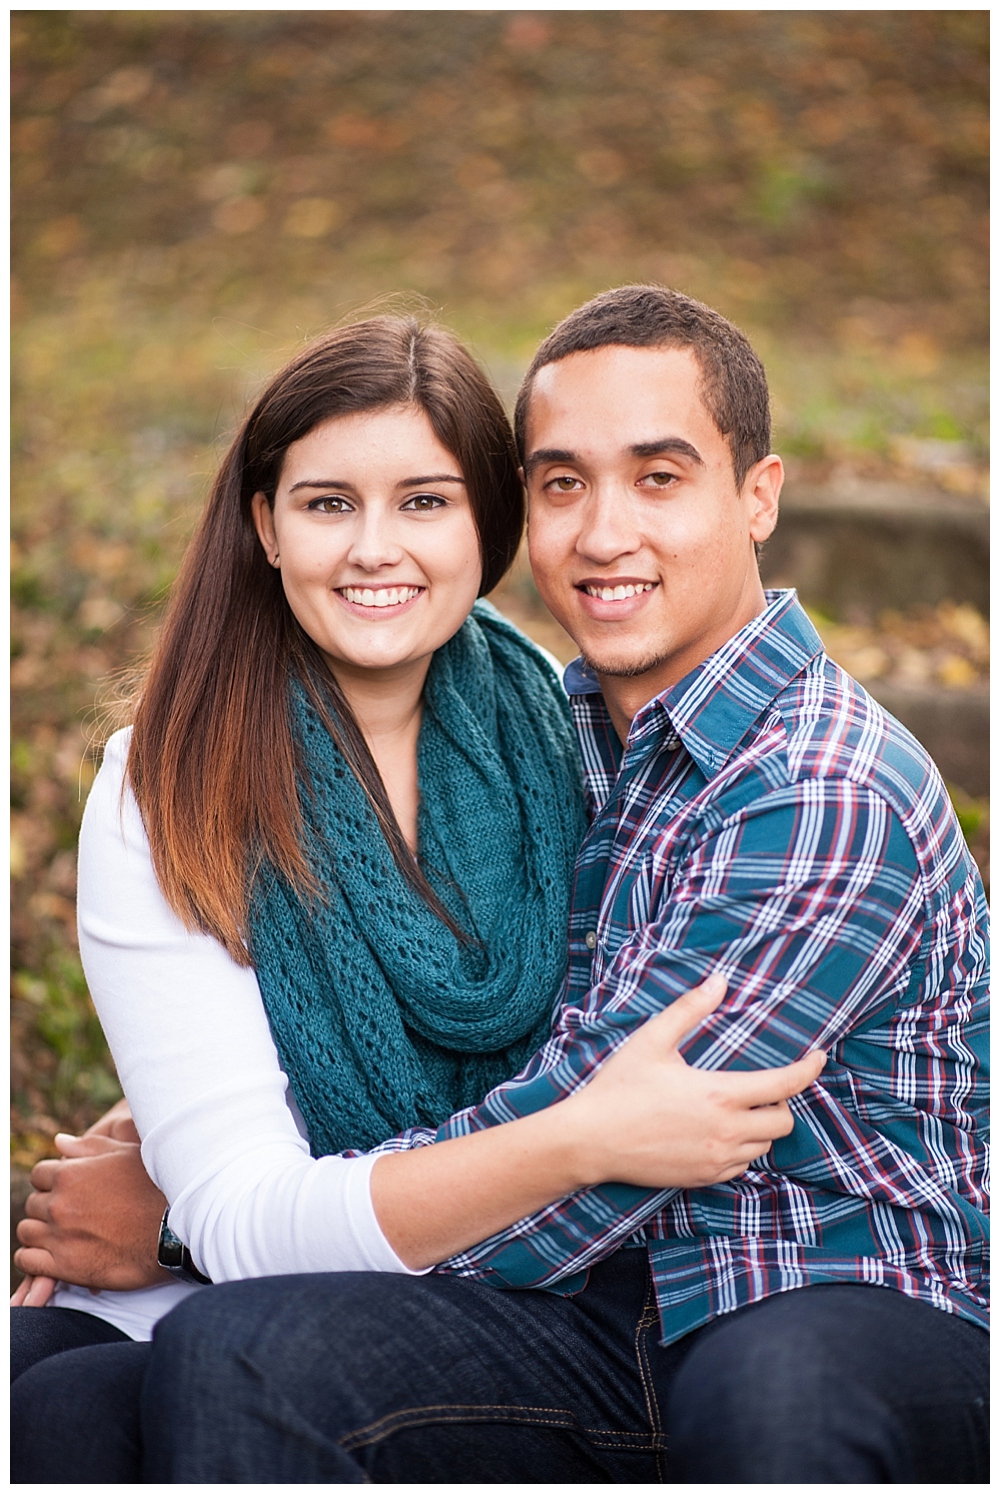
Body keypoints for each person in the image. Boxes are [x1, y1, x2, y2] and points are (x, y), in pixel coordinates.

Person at [14, 287, 988, 1483]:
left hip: (813, 1289)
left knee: (247, 1346)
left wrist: (182, 1229)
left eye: (659, 478)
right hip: (603, 1308)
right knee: (55, 1404)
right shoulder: (569, 728)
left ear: (759, 496)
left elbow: (584, 1169)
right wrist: (190, 1137)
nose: (601, 531)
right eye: (563, 482)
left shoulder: (815, 792)